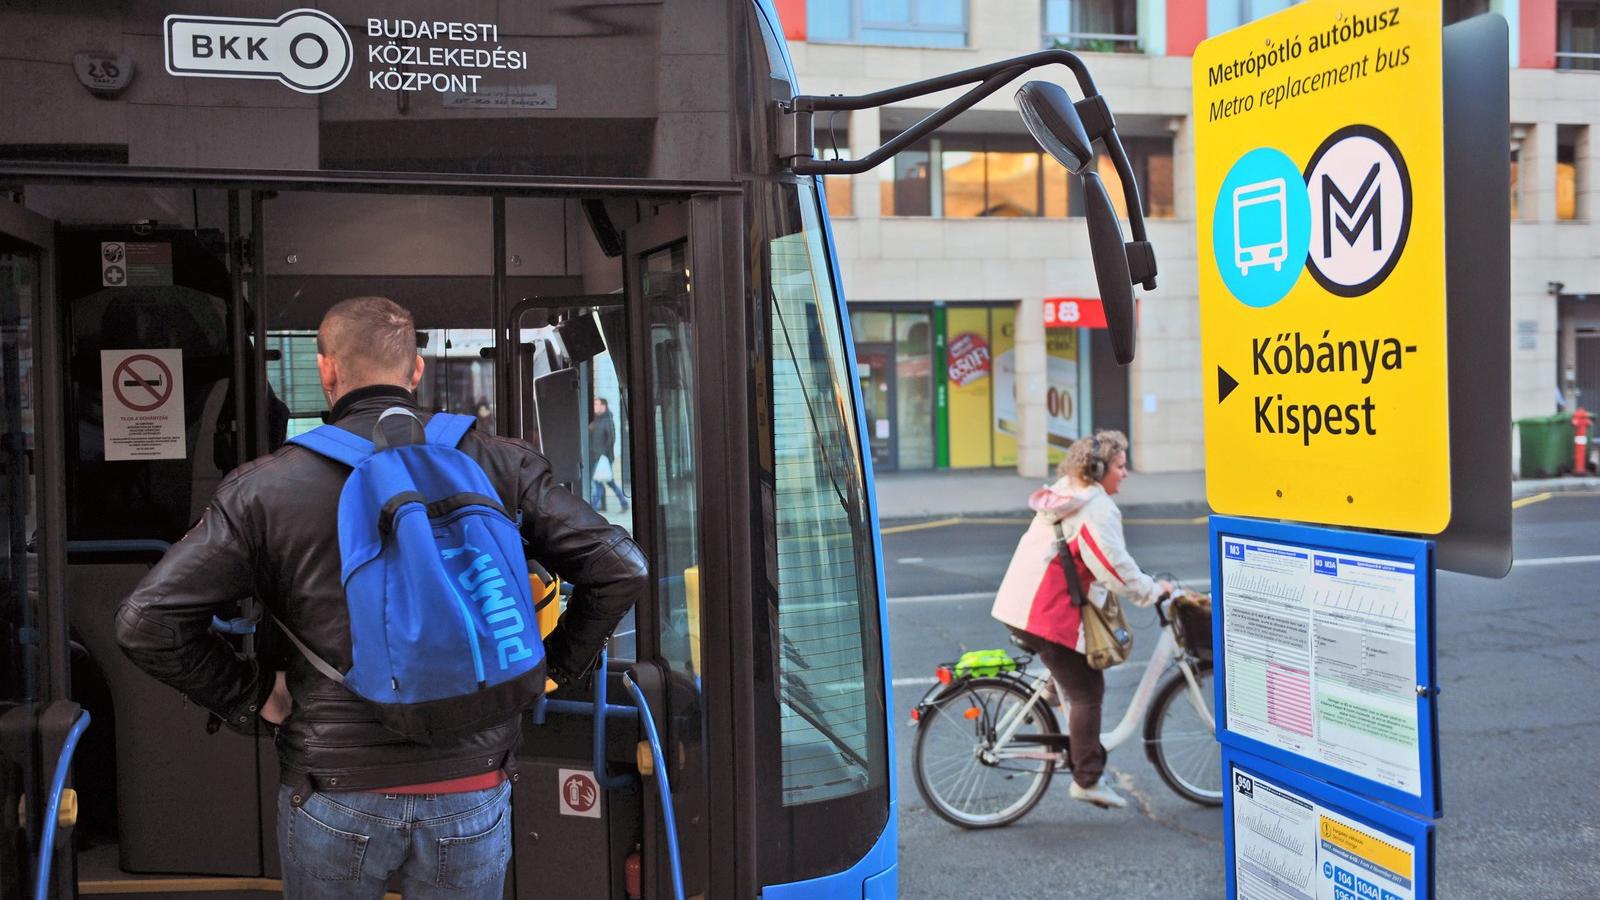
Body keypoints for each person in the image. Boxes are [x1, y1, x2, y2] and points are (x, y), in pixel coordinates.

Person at [116, 296, 646, 899]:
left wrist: (252, 694)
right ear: (416, 369)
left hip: (335, 787)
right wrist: (552, 670)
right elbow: (620, 566)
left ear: (326, 369)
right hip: (470, 786)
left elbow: (146, 622)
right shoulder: (499, 464)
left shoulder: (263, 490)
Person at [990, 430, 1170, 810]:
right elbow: (1114, 569)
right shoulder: (1096, 507)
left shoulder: (1068, 491)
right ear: (1099, 469)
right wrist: (1151, 591)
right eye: (1121, 466)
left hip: (1017, 603)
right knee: (1088, 691)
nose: (1126, 473)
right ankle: (1086, 779)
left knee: (1070, 672)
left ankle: (1053, 693)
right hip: (1044, 613)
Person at [587, 397, 627, 513]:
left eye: (597, 404)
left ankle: (592, 508)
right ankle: (622, 503)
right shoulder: (596, 420)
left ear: (603, 406)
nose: (595, 407)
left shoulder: (608, 420)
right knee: (609, 482)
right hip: (596, 457)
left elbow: (611, 439)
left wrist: (602, 455)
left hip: (603, 458)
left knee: (597, 482)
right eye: (594, 404)